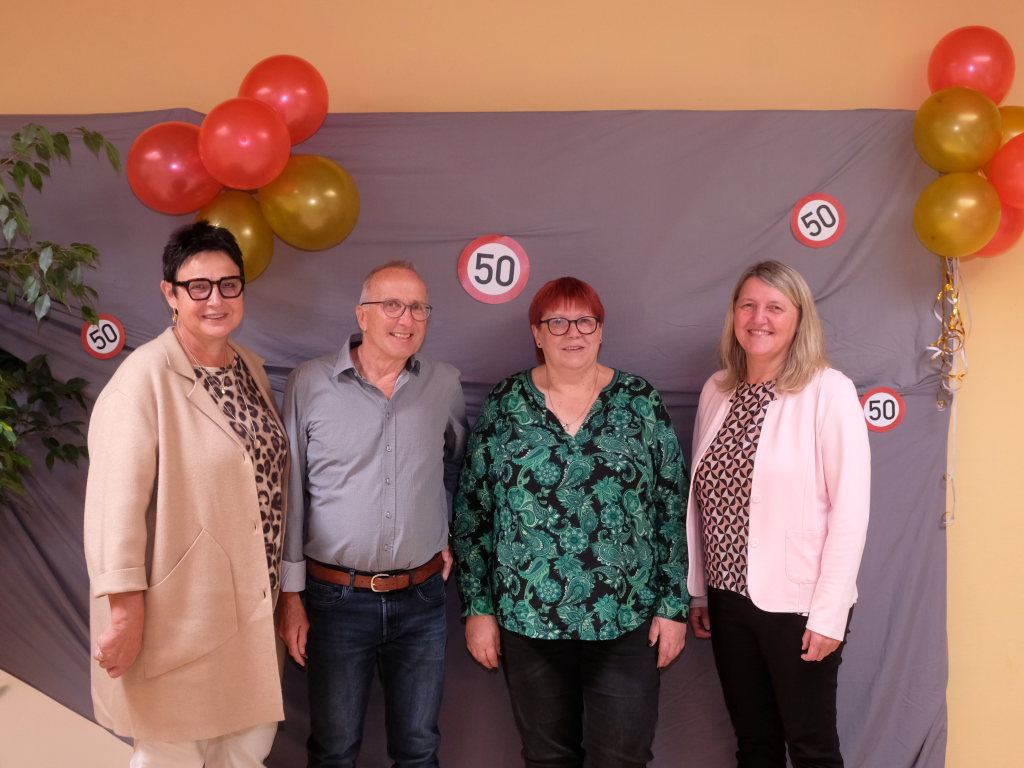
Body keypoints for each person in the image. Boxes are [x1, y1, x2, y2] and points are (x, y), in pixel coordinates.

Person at [453, 276, 689, 768]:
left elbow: (671, 507)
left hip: (626, 617)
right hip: (528, 619)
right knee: (546, 758)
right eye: (556, 322)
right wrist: (478, 608)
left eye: (585, 321)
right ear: (537, 334)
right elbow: (474, 511)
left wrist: (673, 606)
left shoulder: (639, 400)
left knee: (623, 757)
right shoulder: (506, 403)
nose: (572, 332)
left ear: (601, 331)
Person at [83, 221, 288, 767]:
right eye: (198, 286)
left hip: (252, 613)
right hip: (181, 620)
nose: (215, 299)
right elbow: (113, 511)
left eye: (229, 284)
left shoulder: (250, 369)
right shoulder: (142, 379)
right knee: (171, 754)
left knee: (246, 754)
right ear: (170, 294)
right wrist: (124, 616)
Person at [278, 260, 468, 768]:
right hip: (334, 600)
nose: (407, 319)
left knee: (419, 749)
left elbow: (454, 466)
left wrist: (445, 529)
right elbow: (290, 492)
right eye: (393, 306)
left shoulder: (444, 383)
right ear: (362, 314)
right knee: (334, 750)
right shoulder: (309, 382)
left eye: (419, 308)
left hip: (423, 599)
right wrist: (290, 597)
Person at [686, 260, 870, 768]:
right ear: (733, 315)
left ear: (798, 318)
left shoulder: (828, 390)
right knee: (754, 744)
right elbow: (704, 500)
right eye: (747, 305)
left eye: (774, 307)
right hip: (727, 599)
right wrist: (700, 590)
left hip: (798, 603)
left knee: (811, 748)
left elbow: (851, 510)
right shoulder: (717, 390)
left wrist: (830, 613)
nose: (758, 318)